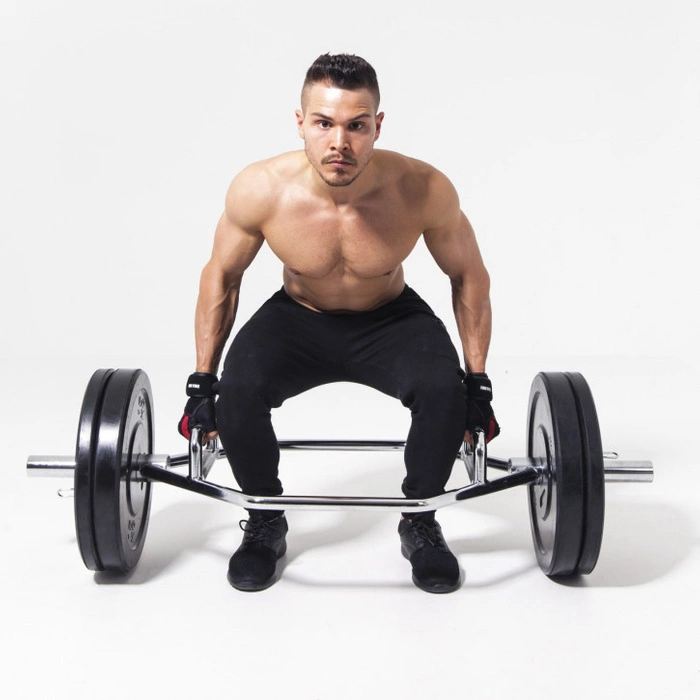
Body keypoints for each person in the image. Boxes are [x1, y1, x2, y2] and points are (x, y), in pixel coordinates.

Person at [178, 53, 499, 594]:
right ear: (300, 123)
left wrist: (479, 381)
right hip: (298, 316)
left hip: (390, 319)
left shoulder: (422, 188)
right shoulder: (261, 189)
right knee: (239, 390)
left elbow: (468, 276)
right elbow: (223, 277)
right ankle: (264, 519)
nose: (339, 143)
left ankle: (420, 520)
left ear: (378, 125)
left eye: (356, 126)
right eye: (324, 124)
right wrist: (201, 382)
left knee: (444, 391)